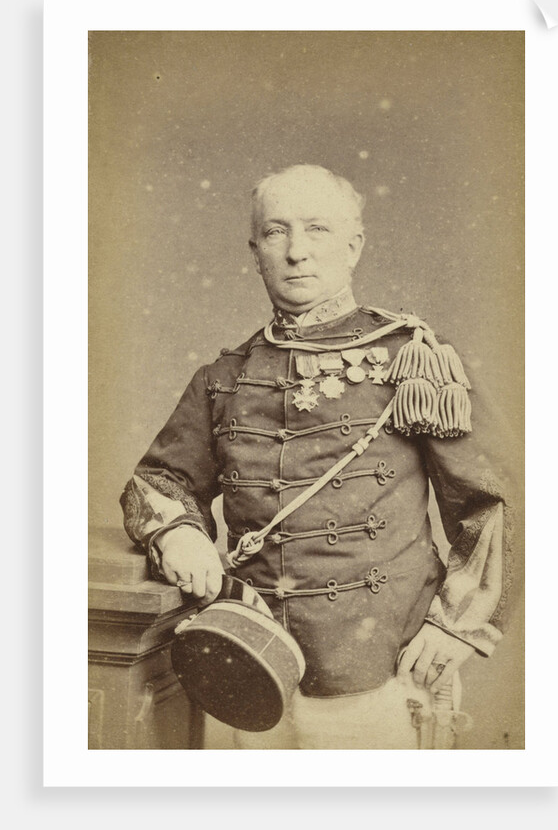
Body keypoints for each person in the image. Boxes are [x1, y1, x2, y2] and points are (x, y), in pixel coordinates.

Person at [120, 164, 516, 749]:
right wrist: (177, 532)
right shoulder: (224, 377)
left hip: (384, 665)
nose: (296, 251)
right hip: (248, 659)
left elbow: (493, 503)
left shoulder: (414, 360)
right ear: (255, 252)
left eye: (317, 229)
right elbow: (158, 479)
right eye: (276, 231)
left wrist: (459, 625)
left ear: (353, 246)